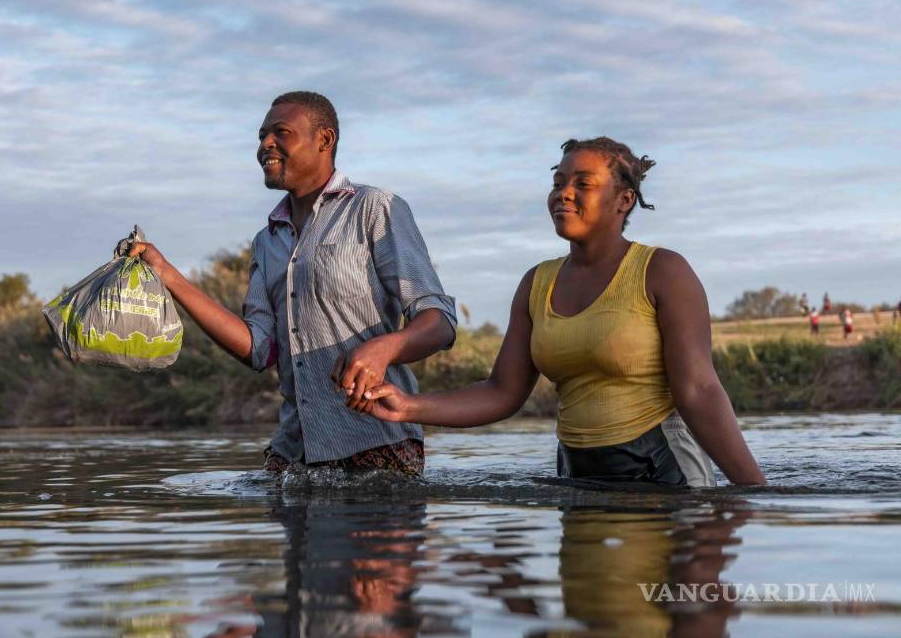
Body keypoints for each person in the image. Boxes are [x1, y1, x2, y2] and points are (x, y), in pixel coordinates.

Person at [359, 137, 766, 487]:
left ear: (624, 200)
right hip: (575, 472)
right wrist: (410, 406)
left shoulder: (663, 271)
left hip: (663, 469)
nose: (564, 193)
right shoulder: (537, 283)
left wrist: (754, 491)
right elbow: (502, 392)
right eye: (558, 183)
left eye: (583, 183)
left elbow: (699, 390)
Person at [127, 91, 456, 477]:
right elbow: (258, 349)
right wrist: (167, 274)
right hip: (293, 452)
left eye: (280, 133)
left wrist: (383, 349)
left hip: (377, 442)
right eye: (262, 136)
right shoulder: (267, 242)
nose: (265, 144)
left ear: (324, 140)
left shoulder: (375, 208)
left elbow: (439, 323)